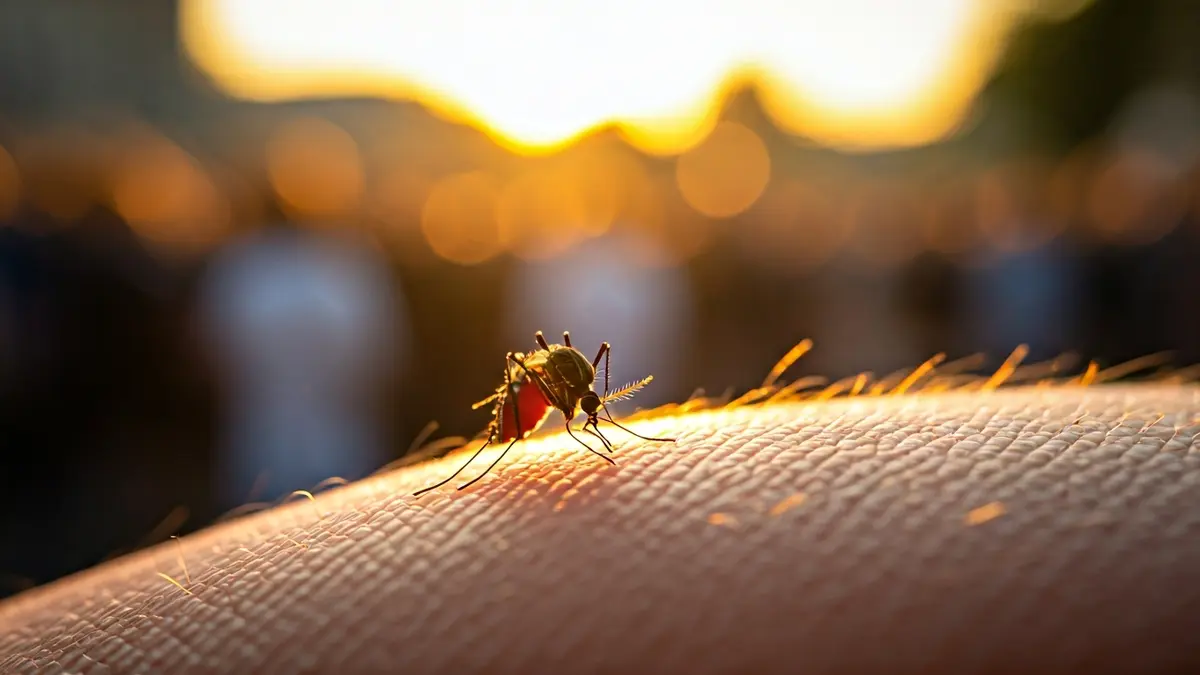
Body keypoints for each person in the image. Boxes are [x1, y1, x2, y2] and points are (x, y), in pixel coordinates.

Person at [1, 384, 1198, 673]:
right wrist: (532, 423)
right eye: (583, 404)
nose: (584, 408)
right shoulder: (550, 387)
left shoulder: (586, 388)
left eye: (583, 404)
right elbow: (549, 380)